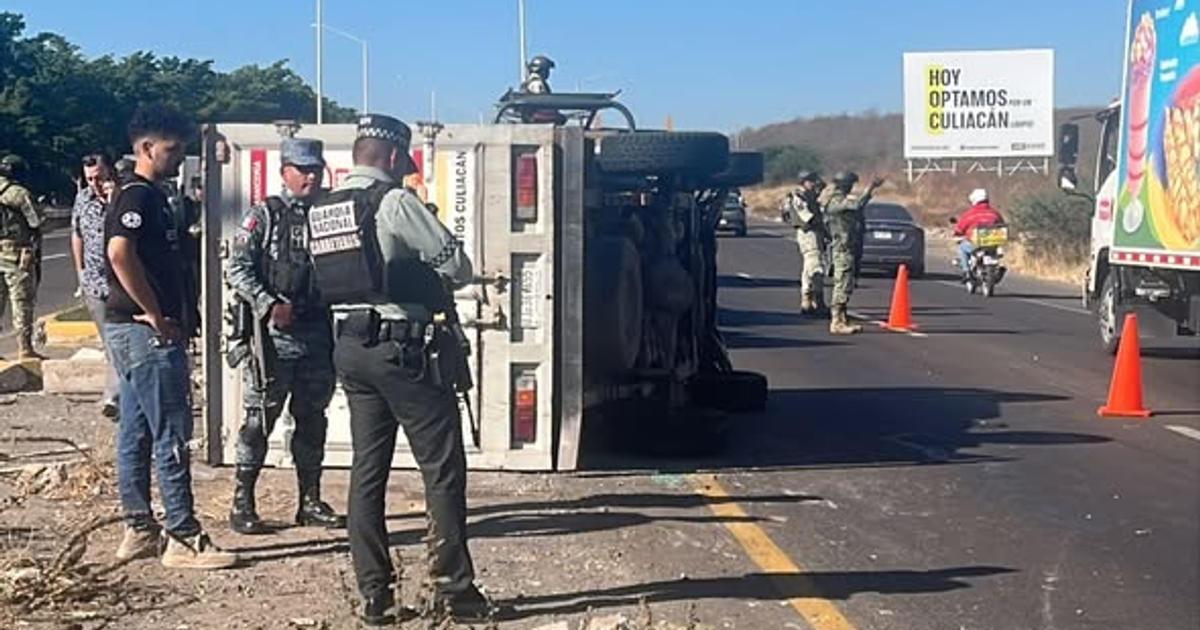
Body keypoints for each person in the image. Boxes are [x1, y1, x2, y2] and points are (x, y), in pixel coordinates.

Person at [309, 113, 492, 625]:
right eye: (404, 162)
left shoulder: (323, 207)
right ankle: (455, 591)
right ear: (391, 157)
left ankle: (376, 596)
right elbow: (458, 267)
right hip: (402, 351)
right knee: (442, 469)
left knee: (368, 471)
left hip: (350, 347)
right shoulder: (394, 202)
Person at [104, 102, 237, 569]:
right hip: (146, 334)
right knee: (172, 433)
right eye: (173, 150)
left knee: (137, 431)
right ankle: (183, 535)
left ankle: (139, 528)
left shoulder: (153, 194)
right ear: (145, 148)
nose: (179, 158)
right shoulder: (136, 195)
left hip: (134, 332)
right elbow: (119, 253)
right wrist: (154, 312)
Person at [224, 137, 344, 535]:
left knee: (313, 420)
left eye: (315, 169)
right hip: (272, 340)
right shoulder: (265, 216)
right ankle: (243, 502)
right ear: (284, 172)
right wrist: (268, 303)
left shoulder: (331, 213)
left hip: (318, 336)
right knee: (259, 421)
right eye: (302, 169)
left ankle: (309, 500)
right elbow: (236, 268)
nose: (310, 177)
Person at [71, 153, 121, 416]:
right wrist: (80, 272)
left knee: (120, 342)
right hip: (95, 282)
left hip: (123, 284)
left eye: (99, 177)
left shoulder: (125, 197)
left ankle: (116, 396)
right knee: (109, 342)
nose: (95, 183)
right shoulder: (83, 199)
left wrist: (114, 200)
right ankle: (115, 396)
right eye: (89, 178)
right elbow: (77, 234)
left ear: (110, 172)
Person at [823, 171, 883, 335]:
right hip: (842, 249)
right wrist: (870, 188)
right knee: (842, 284)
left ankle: (842, 319)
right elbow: (857, 205)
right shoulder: (836, 202)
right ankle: (836, 322)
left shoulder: (838, 201)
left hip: (847, 247)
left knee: (846, 284)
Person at [0, 154, 46, 360]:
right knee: (21, 301)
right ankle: (25, 348)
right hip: (16, 253)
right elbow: (36, 221)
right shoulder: (18, 193)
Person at [781, 170, 828, 314]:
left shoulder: (809, 196)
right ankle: (811, 299)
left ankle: (811, 299)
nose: (814, 184)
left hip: (815, 233)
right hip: (808, 233)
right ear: (805, 181)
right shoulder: (799, 197)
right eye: (812, 181)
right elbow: (809, 218)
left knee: (810, 267)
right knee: (814, 266)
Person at [953, 188, 1006, 281]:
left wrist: (957, 233)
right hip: (993, 244)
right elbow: (1001, 225)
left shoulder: (970, 214)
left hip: (976, 245)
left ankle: (966, 272)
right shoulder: (995, 213)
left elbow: (960, 228)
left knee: (962, 247)